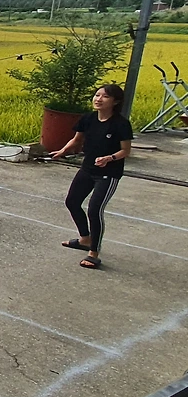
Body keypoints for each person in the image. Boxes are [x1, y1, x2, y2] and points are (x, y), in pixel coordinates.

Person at [50, 84, 133, 270]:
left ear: (116, 102)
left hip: (108, 174)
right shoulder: (88, 119)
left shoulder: (121, 124)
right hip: (87, 169)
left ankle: (94, 253)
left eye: (105, 96)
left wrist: (109, 158)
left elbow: (125, 151)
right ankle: (85, 239)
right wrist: (63, 150)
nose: (98, 99)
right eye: (97, 95)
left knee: (95, 210)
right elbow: (77, 140)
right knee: (72, 202)